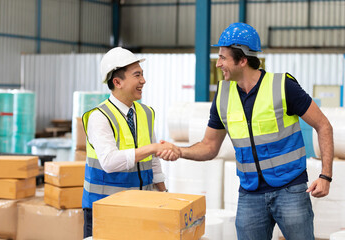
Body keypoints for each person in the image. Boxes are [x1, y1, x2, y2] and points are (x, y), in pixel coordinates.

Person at [159, 23, 333, 240]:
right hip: (250, 194)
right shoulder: (223, 95)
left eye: (223, 58)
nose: (218, 64)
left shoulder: (282, 86)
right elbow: (209, 146)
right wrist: (180, 151)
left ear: (242, 60)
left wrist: (326, 175)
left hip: (290, 190)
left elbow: (323, 125)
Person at [82, 47, 180, 238]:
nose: (143, 80)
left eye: (142, 75)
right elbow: (109, 162)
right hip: (104, 209)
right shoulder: (99, 117)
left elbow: (152, 161)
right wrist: (153, 148)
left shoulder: (146, 113)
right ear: (117, 82)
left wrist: (164, 193)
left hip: (139, 207)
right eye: (137, 75)